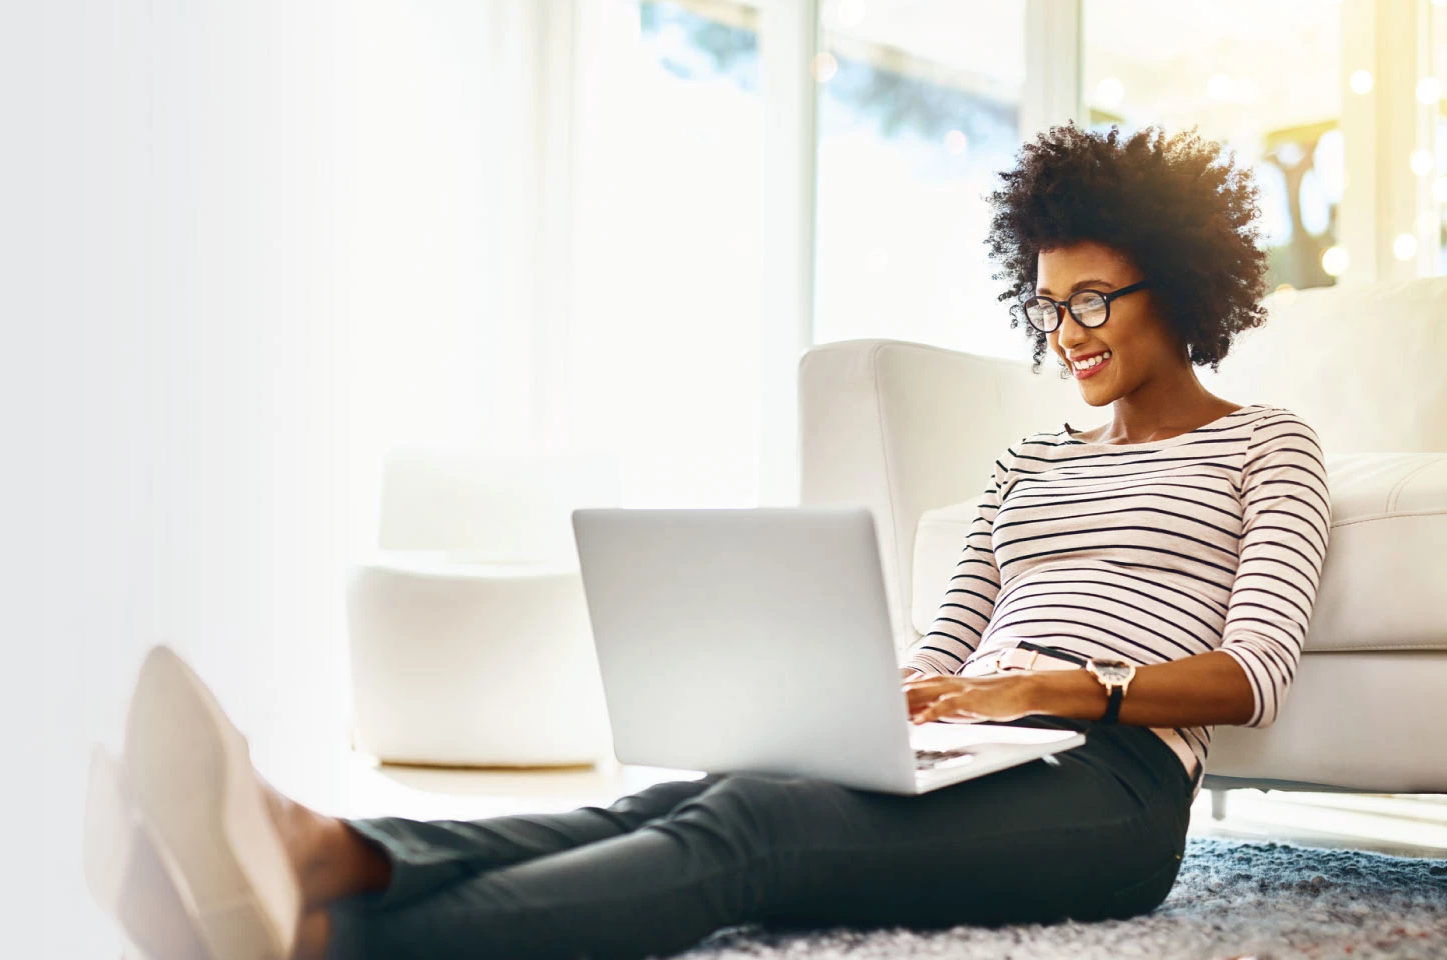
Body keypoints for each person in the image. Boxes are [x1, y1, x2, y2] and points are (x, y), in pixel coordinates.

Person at [82, 122, 1333, 960]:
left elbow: (1253, 676)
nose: (1068, 330)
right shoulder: (1026, 466)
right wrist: (864, 695)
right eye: (1049, 304)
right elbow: (945, 646)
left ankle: (326, 938)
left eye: (1095, 299)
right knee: (702, 793)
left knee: (758, 841)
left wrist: (1068, 688)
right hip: (965, 749)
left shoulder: (1269, 445)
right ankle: (326, 849)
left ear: (1177, 281)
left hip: (1113, 793)